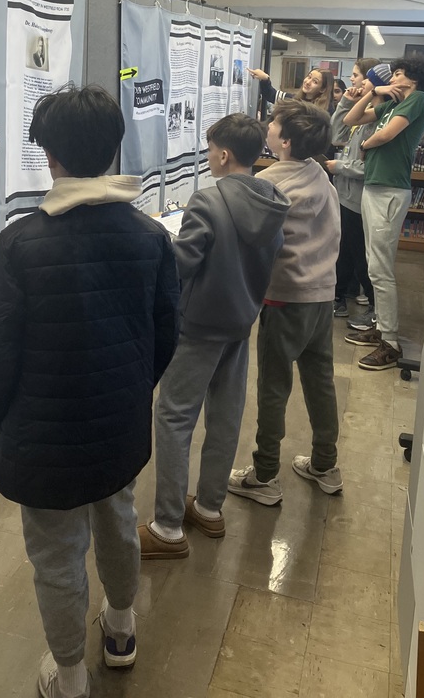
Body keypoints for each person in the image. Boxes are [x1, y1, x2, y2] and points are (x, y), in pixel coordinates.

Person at [0, 84, 180, 698]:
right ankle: (120, 631)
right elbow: (167, 331)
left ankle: (68, 678)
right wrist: (132, 386)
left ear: (50, 156)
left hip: (42, 434)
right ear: (114, 148)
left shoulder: (18, 244)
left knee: (57, 552)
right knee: (118, 518)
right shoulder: (149, 237)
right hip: (118, 421)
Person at [138, 114, 290, 559]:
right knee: (225, 417)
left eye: (209, 150)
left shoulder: (207, 201)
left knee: (174, 418)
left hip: (198, 328)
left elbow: (182, 265)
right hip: (240, 325)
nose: (208, 157)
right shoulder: (272, 201)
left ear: (223, 155)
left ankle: (167, 527)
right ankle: (208, 507)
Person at [228, 99, 343, 505]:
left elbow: (254, 241)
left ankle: (264, 475)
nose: (267, 127)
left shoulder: (272, 183)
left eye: (273, 124)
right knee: (320, 381)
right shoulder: (319, 176)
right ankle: (325, 464)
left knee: (274, 387)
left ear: (287, 141)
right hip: (321, 298)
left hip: (284, 300)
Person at [342, 55, 424, 370]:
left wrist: (366, 146)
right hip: (373, 187)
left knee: (381, 269)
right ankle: (381, 328)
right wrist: (373, 93)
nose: (393, 77)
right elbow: (350, 120)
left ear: (413, 79)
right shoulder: (392, 105)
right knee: (374, 265)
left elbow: (386, 135)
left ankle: (391, 343)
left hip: (389, 190)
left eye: (398, 73)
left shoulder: (418, 100)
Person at [327, 61, 392, 324]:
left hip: (360, 198)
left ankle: (376, 311)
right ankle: (339, 298)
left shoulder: (382, 120)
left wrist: (340, 167)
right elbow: (336, 134)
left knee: (361, 256)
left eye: (358, 77)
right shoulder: (364, 112)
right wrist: (345, 102)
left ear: (373, 84)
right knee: (344, 251)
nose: (353, 81)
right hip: (345, 195)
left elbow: (372, 168)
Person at [247, 65, 334, 114]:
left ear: (322, 89)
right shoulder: (293, 99)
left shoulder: (325, 110)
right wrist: (265, 79)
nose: (308, 82)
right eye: (309, 77)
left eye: (315, 82)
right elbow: (271, 95)